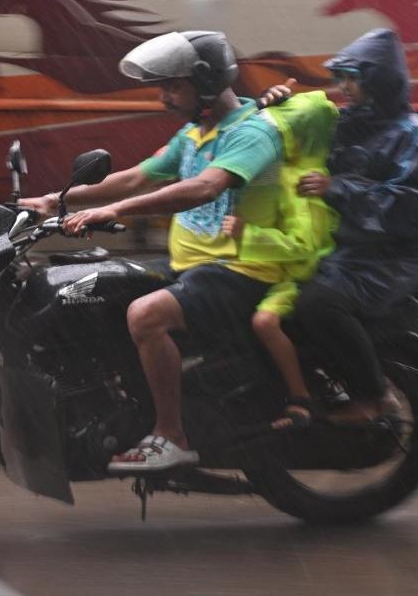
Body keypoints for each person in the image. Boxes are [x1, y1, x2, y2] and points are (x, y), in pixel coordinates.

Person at [21, 31, 288, 472]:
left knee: (146, 315)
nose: (164, 97)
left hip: (242, 268)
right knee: (98, 292)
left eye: (172, 86)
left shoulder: (253, 131)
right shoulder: (194, 134)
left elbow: (204, 188)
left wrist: (113, 210)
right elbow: (134, 178)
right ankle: (125, 407)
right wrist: (55, 200)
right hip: (192, 266)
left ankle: (172, 435)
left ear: (205, 83)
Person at [269, 28, 418, 422]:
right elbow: (299, 133)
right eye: (343, 78)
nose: (346, 87)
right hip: (346, 247)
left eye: (355, 77)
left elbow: (416, 208)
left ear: (380, 81)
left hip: (392, 257)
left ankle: (373, 396)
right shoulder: (353, 123)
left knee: (319, 304)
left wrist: (337, 189)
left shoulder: (414, 137)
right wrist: (272, 107)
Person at [219, 86, 339, 430]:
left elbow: (302, 246)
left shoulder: (303, 182)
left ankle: (300, 397)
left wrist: (248, 235)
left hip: (298, 275)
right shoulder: (283, 167)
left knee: (264, 322)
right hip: (272, 265)